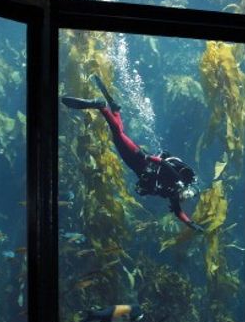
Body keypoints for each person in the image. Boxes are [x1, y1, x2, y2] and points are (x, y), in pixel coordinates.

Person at [62, 74, 203, 231]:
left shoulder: (174, 195)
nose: (185, 198)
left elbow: (178, 212)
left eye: (187, 199)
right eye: (188, 195)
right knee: (118, 136)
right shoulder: (178, 181)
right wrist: (147, 157)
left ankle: (115, 109)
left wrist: (191, 225)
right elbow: (163, 163)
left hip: (135, 166)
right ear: (187, 188)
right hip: (141, 159)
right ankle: (101, 107)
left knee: (119, 135)